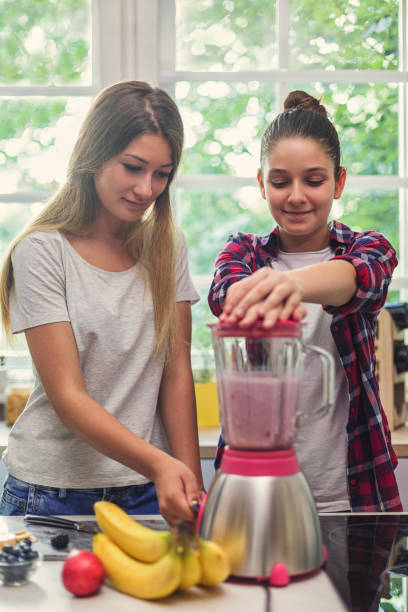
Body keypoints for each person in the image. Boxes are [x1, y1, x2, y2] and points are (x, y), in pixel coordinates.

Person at [0, 80, 204, 524]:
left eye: (161, 173)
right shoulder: (41, 251)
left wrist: (190, 481)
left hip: (150, 489)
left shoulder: (168, 245)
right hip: (51, 493)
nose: (147, 188)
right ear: (92, 155)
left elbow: (176, 373)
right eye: (133, 167)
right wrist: (161, 464)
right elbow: (69, 398)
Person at [208, 90, 402, 512]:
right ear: (262, 184)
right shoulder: (242, 252)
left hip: (348, 489)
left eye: (314, 180)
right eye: (280, 182)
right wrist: (258, 294)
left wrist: (289, 285)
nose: (296, 196)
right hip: (256, 488)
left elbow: (355, 280)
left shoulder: (370, 248)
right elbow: (225, 297)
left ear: (339, 182)